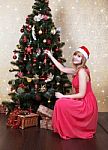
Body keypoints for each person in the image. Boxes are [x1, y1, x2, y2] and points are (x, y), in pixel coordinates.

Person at [44, 46, 98, 140]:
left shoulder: (81, 71)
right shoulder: (77, 70)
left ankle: (71, 129)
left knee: (61, 102)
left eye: (79, 56)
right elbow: (62, 69)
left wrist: (63, 96)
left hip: (86, 103)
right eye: (75, 55)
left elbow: (82, 94)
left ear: (83, 59)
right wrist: (50, 56)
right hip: (82, 99)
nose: (75, 57)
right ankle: (68, 127)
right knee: (61, 103)